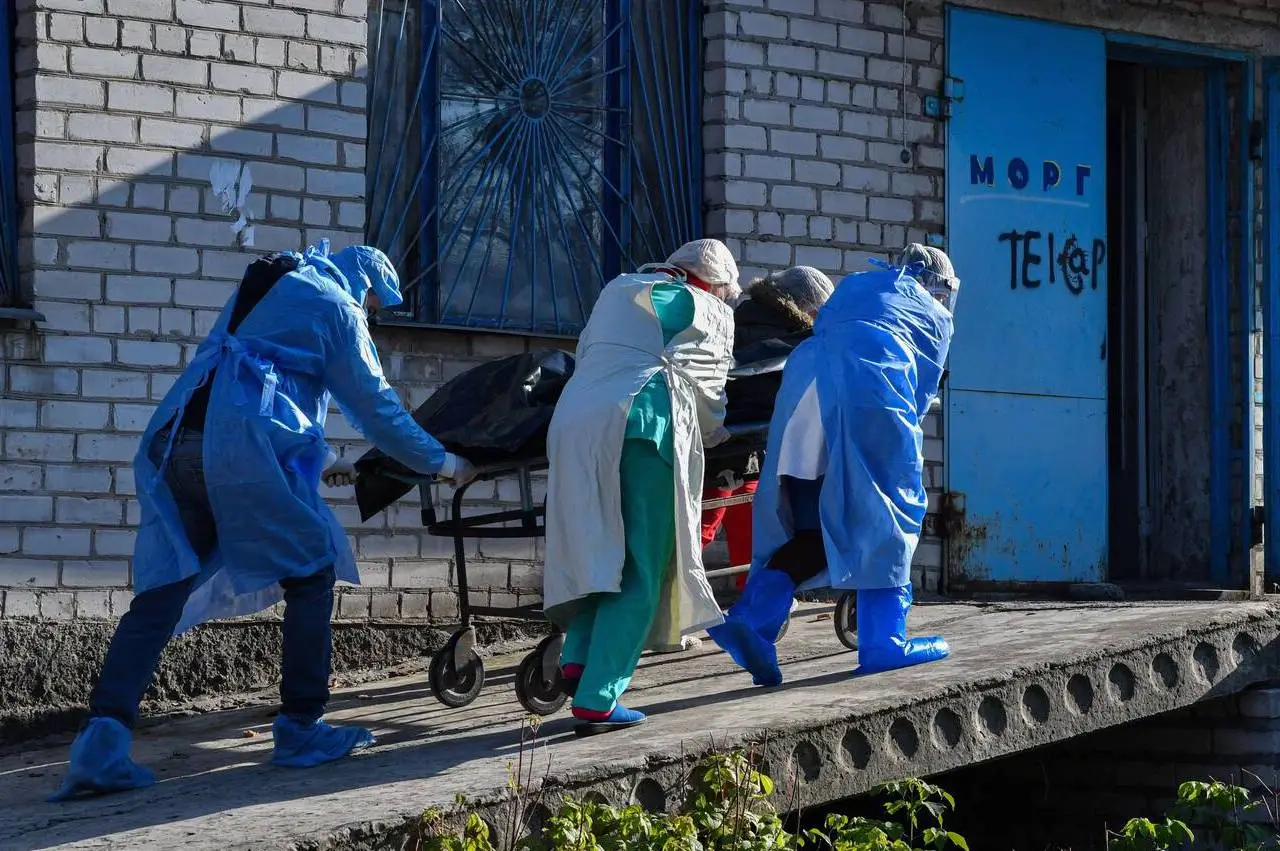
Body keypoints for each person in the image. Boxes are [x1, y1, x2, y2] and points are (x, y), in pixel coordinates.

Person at [50, 241, 476, 801]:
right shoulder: (337, 306)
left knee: (162, 593)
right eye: (374, 302)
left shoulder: (278, 284)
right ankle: (301, 727)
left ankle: (99, 746)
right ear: (364, 285)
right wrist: (446, 464)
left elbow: (245, 378)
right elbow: (378, 410)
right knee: (313, 569)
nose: (371, 313)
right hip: (238, 454)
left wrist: (324, 460)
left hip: (178, 443)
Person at [708, 244, 960, 687]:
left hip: (804, 389)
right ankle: (885, 640)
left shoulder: (856, 286)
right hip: (870, 384)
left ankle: (752, 619)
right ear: (937, 285)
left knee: (812, 526)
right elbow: (918, 398)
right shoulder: (934, 314)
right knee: (890, 509)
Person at [543, 239, 739, 736]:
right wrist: (716, 432)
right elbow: (711, 390)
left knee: (598, 547)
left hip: (573, 423)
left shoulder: (618, 289)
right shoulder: (709, 309)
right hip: (643, 426)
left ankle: (579, 658)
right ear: (714, 283)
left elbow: (587, 351)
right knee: (641, 566)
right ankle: (599, 699)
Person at [701, 267, 835, 591]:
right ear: (804, 307)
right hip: (742, 440)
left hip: (725, 437)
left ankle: (676, 606)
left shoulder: (741, 318)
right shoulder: (790, 336)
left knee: (712, 521)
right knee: (722, 523)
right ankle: (756, 600)